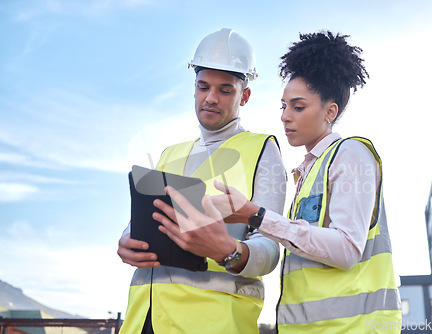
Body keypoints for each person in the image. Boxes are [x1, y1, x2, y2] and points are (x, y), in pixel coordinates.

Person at [159, 31, 402, 333]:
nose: (286, 117)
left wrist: (257, 216)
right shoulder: (308, 173)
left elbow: (346, 249)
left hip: (353, 327)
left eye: (298, 107)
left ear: (330, 111)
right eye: (283, 106)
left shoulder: (350, 153)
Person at [117, 28, 287, 334]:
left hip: (212, 323)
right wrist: (127, 240)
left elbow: (272, 247)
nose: (210, 98)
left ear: (244, 96)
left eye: (225, 90)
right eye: (203, 86)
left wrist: (230, 251)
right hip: (144, 320)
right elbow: (145, 220)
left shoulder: (263, 150)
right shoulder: (170, 154)